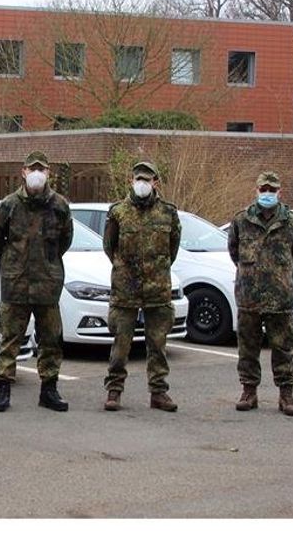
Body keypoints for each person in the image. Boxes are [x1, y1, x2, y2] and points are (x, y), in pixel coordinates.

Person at [0, 150, 73, 412]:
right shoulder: (9, 205)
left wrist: (48, 263)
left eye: (42, 169)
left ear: (48, 174)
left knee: (51, 340)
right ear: (23, 172)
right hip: (16, 284)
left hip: (47, 284)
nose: (36, 173)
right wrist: (12, 262)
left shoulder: (59, 205)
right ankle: (3, 389)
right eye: (31, 168)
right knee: (10, 338)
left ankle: (49, 389)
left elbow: (64, 241)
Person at [102, 161, 181, 412]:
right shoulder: (118, 212)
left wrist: (155, 270)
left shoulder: (168, 213)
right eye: (138, 179)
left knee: (157, 344)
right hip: (126, 288)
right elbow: (109, 246)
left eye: (147, 180)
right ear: (131, 180)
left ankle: (158, 392)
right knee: (121, 343)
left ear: (155, 182)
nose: (142, 184)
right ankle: (114, 390)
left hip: (157, 289)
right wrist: (126, 268)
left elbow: (172, 249)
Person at [227, 171, 293, 416]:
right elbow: (234, 252)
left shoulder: (292, 221)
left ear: (279, 192)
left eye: (272, 190)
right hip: (249, 295)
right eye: (264, 190)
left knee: (283, 348)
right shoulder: (241, 220)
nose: (268, 194)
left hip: (280, 296)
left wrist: (277, 274)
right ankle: (249, 392)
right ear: (256, 191)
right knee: (248, 347)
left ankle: (286, 395)